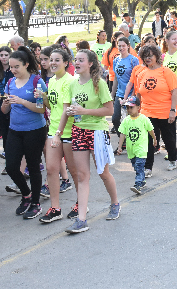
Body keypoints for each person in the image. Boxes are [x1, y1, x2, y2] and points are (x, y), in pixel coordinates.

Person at [64, 50, 119, 233]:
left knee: (103, 173)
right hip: (78, 131)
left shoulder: (99, 84)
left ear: (90, 64)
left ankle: (115, 203)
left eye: (81, 60)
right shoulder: (73, 84)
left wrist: (83, 111)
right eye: (76, 60)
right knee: (82, 176)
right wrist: (73, 113)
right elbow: (72, 108)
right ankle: (81, 220)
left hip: (97, 132)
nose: (77, 62)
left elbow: (109, 110)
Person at [1, 47, 48, 220]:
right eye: (11, 67)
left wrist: (21, 101)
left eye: (16, 67)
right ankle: (26, 194)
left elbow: (42, 108)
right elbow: (4, 110)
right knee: (11, 166)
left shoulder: (36, 82)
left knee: (33, 166)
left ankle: (36, 202)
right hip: (15, 129)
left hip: (35, 130)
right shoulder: (10, 83)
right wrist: (6, 104)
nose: (13, 70)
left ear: (26, 65)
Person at [40, 48, 77, 224]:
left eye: (57, 60)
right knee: (51, 169)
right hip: (54, 130)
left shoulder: (69, 81)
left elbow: (66, 111)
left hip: (67, 132)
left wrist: (57, 134)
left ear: (65, 63)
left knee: (75, 171)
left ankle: (81, 203)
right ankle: (55, 208)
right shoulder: (52, 81)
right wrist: (43, 97)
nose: (53, 63)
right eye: (50, 60)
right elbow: (51, 106)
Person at [136, 45, 177, 173]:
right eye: (145, 56)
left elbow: (174, 91)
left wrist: (172, 110)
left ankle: (173, 159)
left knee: (168, 138)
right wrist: (137, 111)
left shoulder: (166, 71)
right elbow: (139, 93)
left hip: (165, 112)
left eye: (150, 56)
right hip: (147, 112)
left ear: (156, 56)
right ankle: (148, 168)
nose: (148, 58)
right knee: (149, 141)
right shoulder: (141, 73)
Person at [116, 96, 155, 194]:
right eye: (127, 108)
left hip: (141, 148)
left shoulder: (143, 119)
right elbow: (122, 134)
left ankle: (137, 184)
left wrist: (155, 139)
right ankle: (142, 181)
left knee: (139, 165)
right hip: (131, 149)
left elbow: (151, 130)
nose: (129, 110)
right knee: (136, 166)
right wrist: (120, 147)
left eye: (131, 107)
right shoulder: (126, 120)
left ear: (138, 107)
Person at [111, 37, 139, 141]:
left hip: (131, 94)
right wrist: (112, 94)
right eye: (119, 46)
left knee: (130, 120)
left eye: (123, 45)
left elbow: (136, 79)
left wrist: (133, 95)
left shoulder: (133, 60)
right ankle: (123, 141)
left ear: (128, 46)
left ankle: (133, 142)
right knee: (115, 119)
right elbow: (116, 78)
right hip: (120, 94)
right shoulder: (116, 60)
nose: (121, 48)